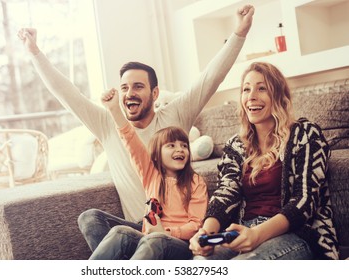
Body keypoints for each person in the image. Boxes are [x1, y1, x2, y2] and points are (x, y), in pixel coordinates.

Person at [17, 4, 254, 254]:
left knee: (152, 241)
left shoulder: (174, 115)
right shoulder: (108, 122)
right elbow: (66, 93)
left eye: (138, 86)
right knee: (90, 218)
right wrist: (34, 52)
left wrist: (239, 32)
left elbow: (210, 77)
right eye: (125, 87)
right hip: (139, 228)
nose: (130, 93)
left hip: (174, 237)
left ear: (154, 93)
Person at [189, 62, 339, 260]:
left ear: (278, 95)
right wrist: (206, 233)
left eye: (262, 88)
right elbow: (226, 192)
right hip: (243, 231)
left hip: (294, 235)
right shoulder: (235, 145)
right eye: (246, 89)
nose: (251, 96)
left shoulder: (305, 135)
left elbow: (304, 201)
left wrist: (257, 234)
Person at [87, 88, 207, 260]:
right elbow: (130, 140)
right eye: (171, 145)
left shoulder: (195, 182)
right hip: (148, 238)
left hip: (178, 245)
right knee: (92, 218)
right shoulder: (151, 173)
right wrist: (114, 108)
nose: (180, 149)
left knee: (154, 239)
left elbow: (197, 225)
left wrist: (165, 231)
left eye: (184, 145)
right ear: (157, 154)